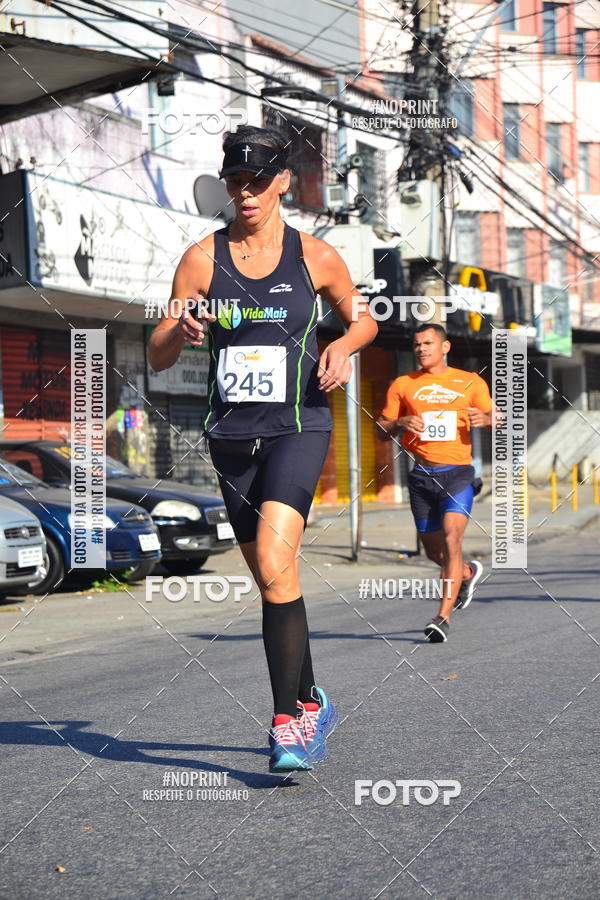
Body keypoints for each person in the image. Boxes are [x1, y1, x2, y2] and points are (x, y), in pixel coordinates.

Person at [148, 125, 378, 771]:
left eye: (257, 181)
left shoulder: (316, 256)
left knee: (277, 565)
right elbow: (160, 355)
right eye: (234, 182)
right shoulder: (201, 259)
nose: (245, 193)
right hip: (230, 437)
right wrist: (178, 327)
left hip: (299, 426)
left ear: (282, 183)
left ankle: (286, 724)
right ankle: (311, 699)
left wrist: (341, 344)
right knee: (276, 579)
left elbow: (365, 317)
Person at [377, 323, 493, 643]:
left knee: (452, 539)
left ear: (445, 347)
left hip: (457, 474)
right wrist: (400, 422)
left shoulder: (469, 382)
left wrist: (489, 419)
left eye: (428, 343)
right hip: (421, 477)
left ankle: (442, 617)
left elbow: (497, 417)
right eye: (416, 344)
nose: (421, 349)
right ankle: (467, 573)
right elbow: (380, 428)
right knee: (434, 553)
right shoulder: (403, 384)